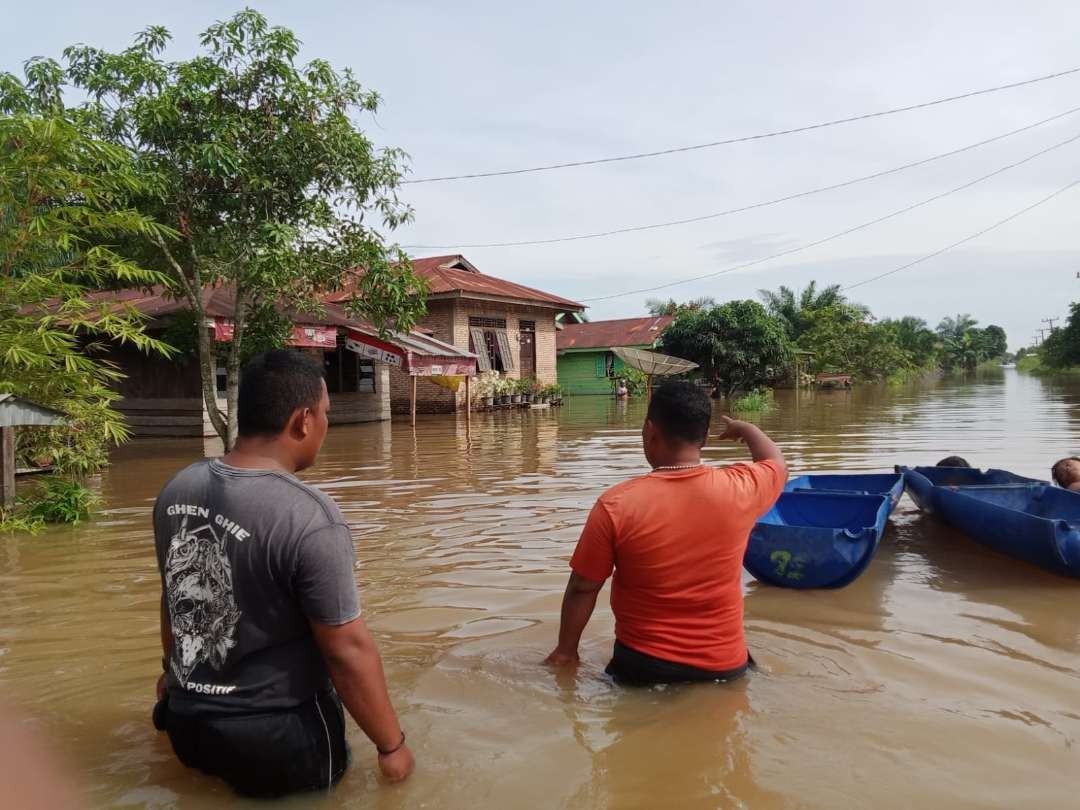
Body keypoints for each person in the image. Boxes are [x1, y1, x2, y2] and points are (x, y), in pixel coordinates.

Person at [153, 350, 414, 798]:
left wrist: (169, 675)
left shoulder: (177, 489)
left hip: (187, 723)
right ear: (303, 421)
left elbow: (174, 595)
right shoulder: (309, 515)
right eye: (326, 414)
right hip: (279, 739)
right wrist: (392, 745)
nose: (326, 426)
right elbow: (345, 649)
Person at [545, 381, 787, 685]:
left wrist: (566, 651)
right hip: (726, 667)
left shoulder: (617, 504)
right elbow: (775, 463)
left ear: (649, 431)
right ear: (704, 440)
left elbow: (584, 587)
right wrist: (746, 429)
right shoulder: (742, 488)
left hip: (643, 669)